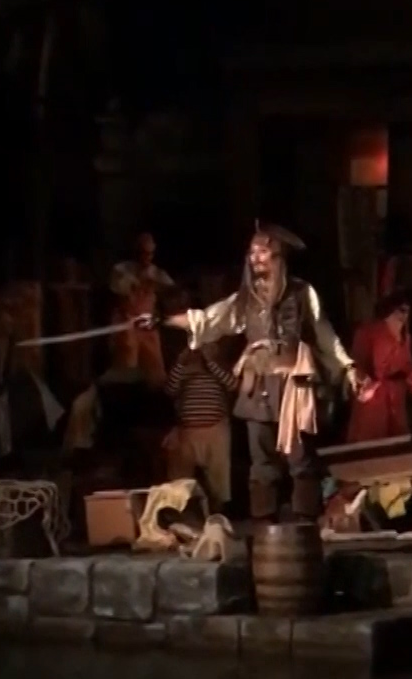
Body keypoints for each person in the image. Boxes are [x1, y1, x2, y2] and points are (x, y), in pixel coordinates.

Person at [137, 221, 365, 521]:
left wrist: (348, 366)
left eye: (262, 252)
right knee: (262, 464)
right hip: (259, 388)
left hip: (293, 386)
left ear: (279, 256)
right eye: (252, 252)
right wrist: (162, 320)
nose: (255, 257)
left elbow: (325, 334)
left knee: (300, 462)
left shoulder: (301, 293)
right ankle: (264, 526)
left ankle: (304, 526)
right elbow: (208, 320)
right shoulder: (246, 299)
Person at [344, 288, 412, 442]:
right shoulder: (368, 332)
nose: (404, 315)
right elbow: (358, 361)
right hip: (374, 398)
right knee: (372, 440)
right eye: (401, 310)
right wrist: (363, 383)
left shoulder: (405, 337)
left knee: (397, 440)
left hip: (396, 398)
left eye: (407, 311)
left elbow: (407, 365)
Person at [164, 346, 236, 512]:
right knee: (180, 479)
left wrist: (210, 363)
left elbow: (232, 384)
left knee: (218, 478)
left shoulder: (218, 370)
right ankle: (181, 512)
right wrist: (181, 363)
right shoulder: (183, 371)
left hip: (215, 431)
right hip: (187, 432)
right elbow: (169, 389)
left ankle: (218, 513)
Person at [109, 232, 175, 381]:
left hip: (148, 324)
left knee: (155, 370)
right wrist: (138, 281)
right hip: (127, 323)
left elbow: (172, 289)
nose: (146, 257)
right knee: (127, 366)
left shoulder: (156, 272)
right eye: (143, 253)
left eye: (150, 253)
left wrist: (158, 284)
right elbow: (118, 290)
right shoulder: (121, 270)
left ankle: (155, 390)